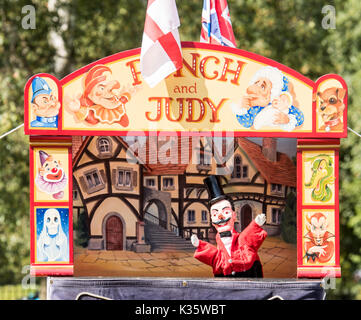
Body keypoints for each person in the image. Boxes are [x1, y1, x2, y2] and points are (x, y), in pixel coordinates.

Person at [191, 175, 267, 277]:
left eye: (226, 212)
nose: (221, 217)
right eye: (215, 214)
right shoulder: (219, 249)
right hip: (225, 276)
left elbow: (247, 238)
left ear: (234, 215)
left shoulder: (241, 240)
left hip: (247, 273)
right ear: (212, 221)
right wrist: (199, 245)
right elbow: (213, 256)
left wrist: (256, 224)